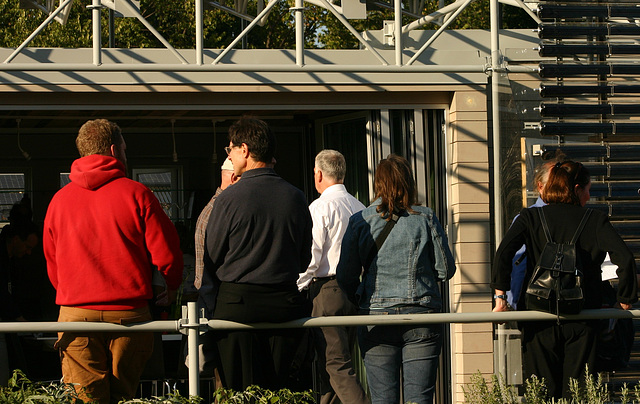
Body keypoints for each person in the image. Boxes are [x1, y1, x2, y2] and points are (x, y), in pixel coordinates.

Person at [43, 119, 184, 404]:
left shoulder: (58, 201)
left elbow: (52, 262)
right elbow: (167, 253)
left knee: (84, 399)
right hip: (129, 316)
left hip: (76, 314)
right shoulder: (138, 194)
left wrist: (71, 292)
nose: (126, 155)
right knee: (125, 397)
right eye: (124, 148)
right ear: (113, 149)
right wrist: (170, 287)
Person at [491, 160, 638, 400]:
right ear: (576, 188)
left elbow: (504, 253)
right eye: (588, 189)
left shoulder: (530, 217)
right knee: (579, 392)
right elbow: (625, 258)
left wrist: (500, 297)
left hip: (538, 316)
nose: (589, 196)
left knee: (540, 390)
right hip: (583, 316)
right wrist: (623, 302)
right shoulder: (595, 219)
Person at [203, 117, 312, 390]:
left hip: (237, 307)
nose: (229, 155)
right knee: (282, 391)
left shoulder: (228, 198)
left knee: (239, 391)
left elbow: (212, 255)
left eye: (230, 150)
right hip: (284, 305)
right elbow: (304, 256)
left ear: (245, 150)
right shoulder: (296, 196)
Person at [337, 154, 456, 404]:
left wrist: (361, 294)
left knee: (382, 400)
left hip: (375, 318)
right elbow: (446, 270)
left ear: (377, 184)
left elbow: (345, 276)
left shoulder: (360, 221)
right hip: (421, 317)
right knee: (419, 399)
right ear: (409, 182)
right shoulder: (426, 218)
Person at [297, 150, 369, 404]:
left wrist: (298, 285)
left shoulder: (320, 207)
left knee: (336, 364)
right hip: (353, 292)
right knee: (334, 366)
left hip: (327, 291)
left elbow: (312, 256)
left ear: (318, 174)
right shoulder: (360, 207)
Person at [507, 159, 557, 309]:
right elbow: (518, 264)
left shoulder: (576, 217)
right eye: (555, 184)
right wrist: (514, 301)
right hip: (537, 301)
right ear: (540, 186)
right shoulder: (528, 218)